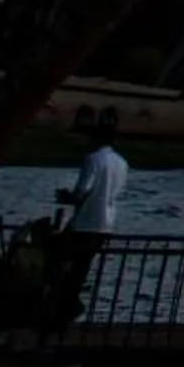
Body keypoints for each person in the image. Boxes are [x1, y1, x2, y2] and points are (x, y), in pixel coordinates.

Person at [48, 110, 127, 314]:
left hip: (86, 220)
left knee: (60, 257)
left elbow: (83, 190)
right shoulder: (122, 163)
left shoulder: (93, 159)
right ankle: (69, 301)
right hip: (106, 222)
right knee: (83, 266)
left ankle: (61, 302)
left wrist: (67, 197)